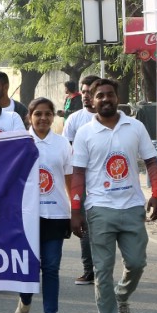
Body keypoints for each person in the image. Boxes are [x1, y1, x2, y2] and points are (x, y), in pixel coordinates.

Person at [69, 78, 157, 313]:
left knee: (136, 263)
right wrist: (76, 210)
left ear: (117, 97)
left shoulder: (135, 127)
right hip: (99, 208)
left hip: (132, 206)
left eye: (110, 94)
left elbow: (152, 162)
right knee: (102, 268)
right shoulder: (85, 133)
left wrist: (155, 194)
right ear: (93, 100)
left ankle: (121, 296)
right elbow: (77, 175)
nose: (105, 99)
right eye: (100, 96)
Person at [15, 97, 75, 313]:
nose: (43, 118)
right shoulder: (19, 143)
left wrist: (74, 212)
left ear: (54, 116)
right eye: (37, 113)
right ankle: (25, 301)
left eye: (47, 114)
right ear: (29, 117)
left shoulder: (62, 144)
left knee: (51, 268)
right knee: (28, 268)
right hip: (26, 217)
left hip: (56, 215)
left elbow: (70, 181)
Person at [65, 74, 101, 286]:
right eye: (83, 91)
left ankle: (104, 267)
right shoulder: (74, 119)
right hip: (82, 180)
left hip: (106, 182)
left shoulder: (114, 118)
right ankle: (89, 270)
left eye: (90, 92)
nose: (86, 96)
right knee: (85, 225)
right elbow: (68, 152)